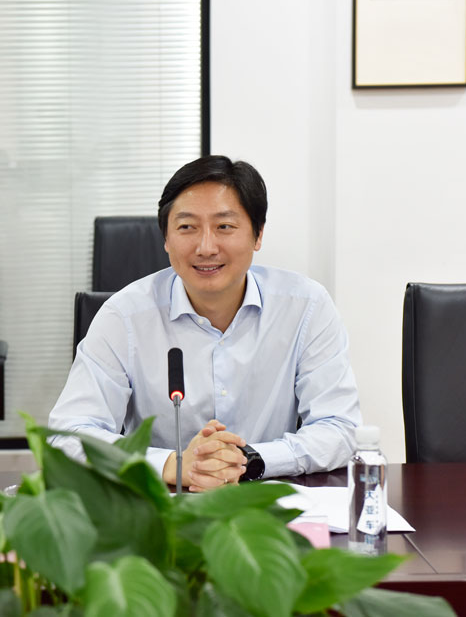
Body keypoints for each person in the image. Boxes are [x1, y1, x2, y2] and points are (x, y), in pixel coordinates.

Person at [49, 155, 361, 490]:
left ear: (257, 235)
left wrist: (250, 459)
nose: (206, 247)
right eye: (187, 227)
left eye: (224, 226)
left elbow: (340, 428)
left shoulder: (306, 307)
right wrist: (172, 465)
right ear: (166, 238)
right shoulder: (123, 316)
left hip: (266, 498)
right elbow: (69, 434)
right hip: (162, 502)